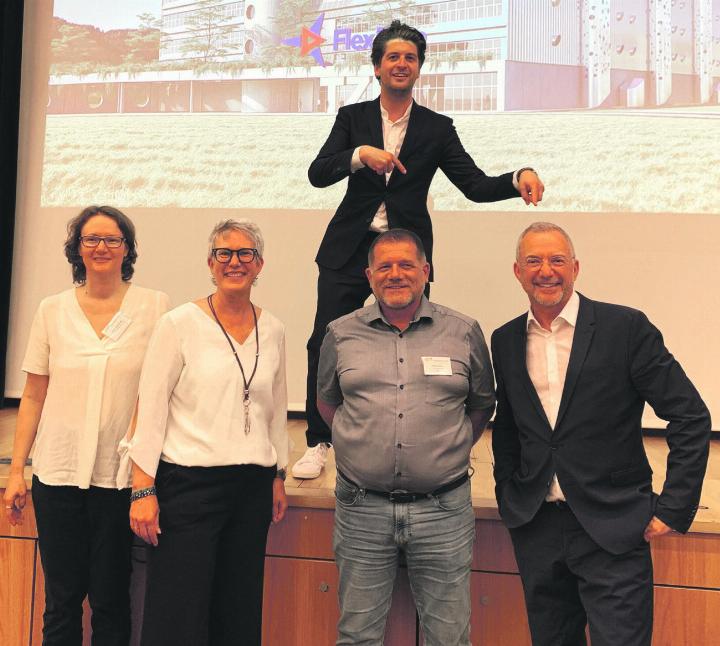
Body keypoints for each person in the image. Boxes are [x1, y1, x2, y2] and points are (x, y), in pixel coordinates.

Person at [296, 19, 545, 479]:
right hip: (348, 248)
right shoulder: (352, 119)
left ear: (418, 69)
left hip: (406, 254)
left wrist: (516, 178)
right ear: (376, 67)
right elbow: (318, 172)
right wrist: (359, 155)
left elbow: (473, 185)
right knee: (324, 340)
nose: (401, 64)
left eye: (410, 57)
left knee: (413, 343)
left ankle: (423, 437)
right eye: (393, 56)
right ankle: (319, 440)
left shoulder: (437, 127)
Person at [491, 222, 712, 646]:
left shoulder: (624, 328)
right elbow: (509, 428)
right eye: (533, 261)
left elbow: (690, 416)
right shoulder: (504, 340)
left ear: (575, 267)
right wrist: (509, 492)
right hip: (538, 528)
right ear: (518, 272)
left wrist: (674, 506)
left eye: (557, 260)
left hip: (614, 527)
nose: (546, 271)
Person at [317, 229, 495, 645]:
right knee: (357, 635)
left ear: (425, 271)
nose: (395, 274)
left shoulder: (463, 331)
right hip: (361, 508)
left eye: (406, 265)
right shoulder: (340, 334)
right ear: (369, 275)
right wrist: (363, 445)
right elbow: (328, 404)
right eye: (384, 267)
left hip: (443, 509)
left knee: (449, 636)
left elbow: (482, 404)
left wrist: (444, 450)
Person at [2, 205, 169, 645]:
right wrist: (17, 470)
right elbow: (34, 395)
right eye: (91, 239)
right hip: (57, 475)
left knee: (112, 601)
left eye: (112, 239)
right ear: (77, 249)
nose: (101, 247)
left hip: (117, 482)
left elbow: (154, 395)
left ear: (127, 248)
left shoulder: (154, 307)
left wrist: (144, 480)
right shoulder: (51, 309)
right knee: (60, 601)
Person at [127, 219, 289, 646]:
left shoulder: (273, 328)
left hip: (251, 487)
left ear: (260, 265)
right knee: (177, 613)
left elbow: (274, 405)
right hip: (189, 485)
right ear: (210, 264)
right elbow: (151, 404)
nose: (234, 261)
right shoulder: (178, 324)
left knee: (237, 612)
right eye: (224, 253)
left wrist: (277, 473)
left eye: (245, 253)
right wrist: (142, 487)